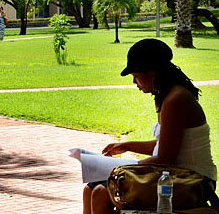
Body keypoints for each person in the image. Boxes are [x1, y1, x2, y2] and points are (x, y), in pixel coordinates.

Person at [83, 39, 217, 214]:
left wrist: (121, 168)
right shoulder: (165, 96)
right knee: (89, 190)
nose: (135, 83)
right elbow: (166, 145)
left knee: (101, 192)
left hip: (193, 180)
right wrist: (127, 146)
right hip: (172, 173)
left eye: (136, 76)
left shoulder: (175, 99)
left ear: (152, 72)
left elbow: (165, 157)